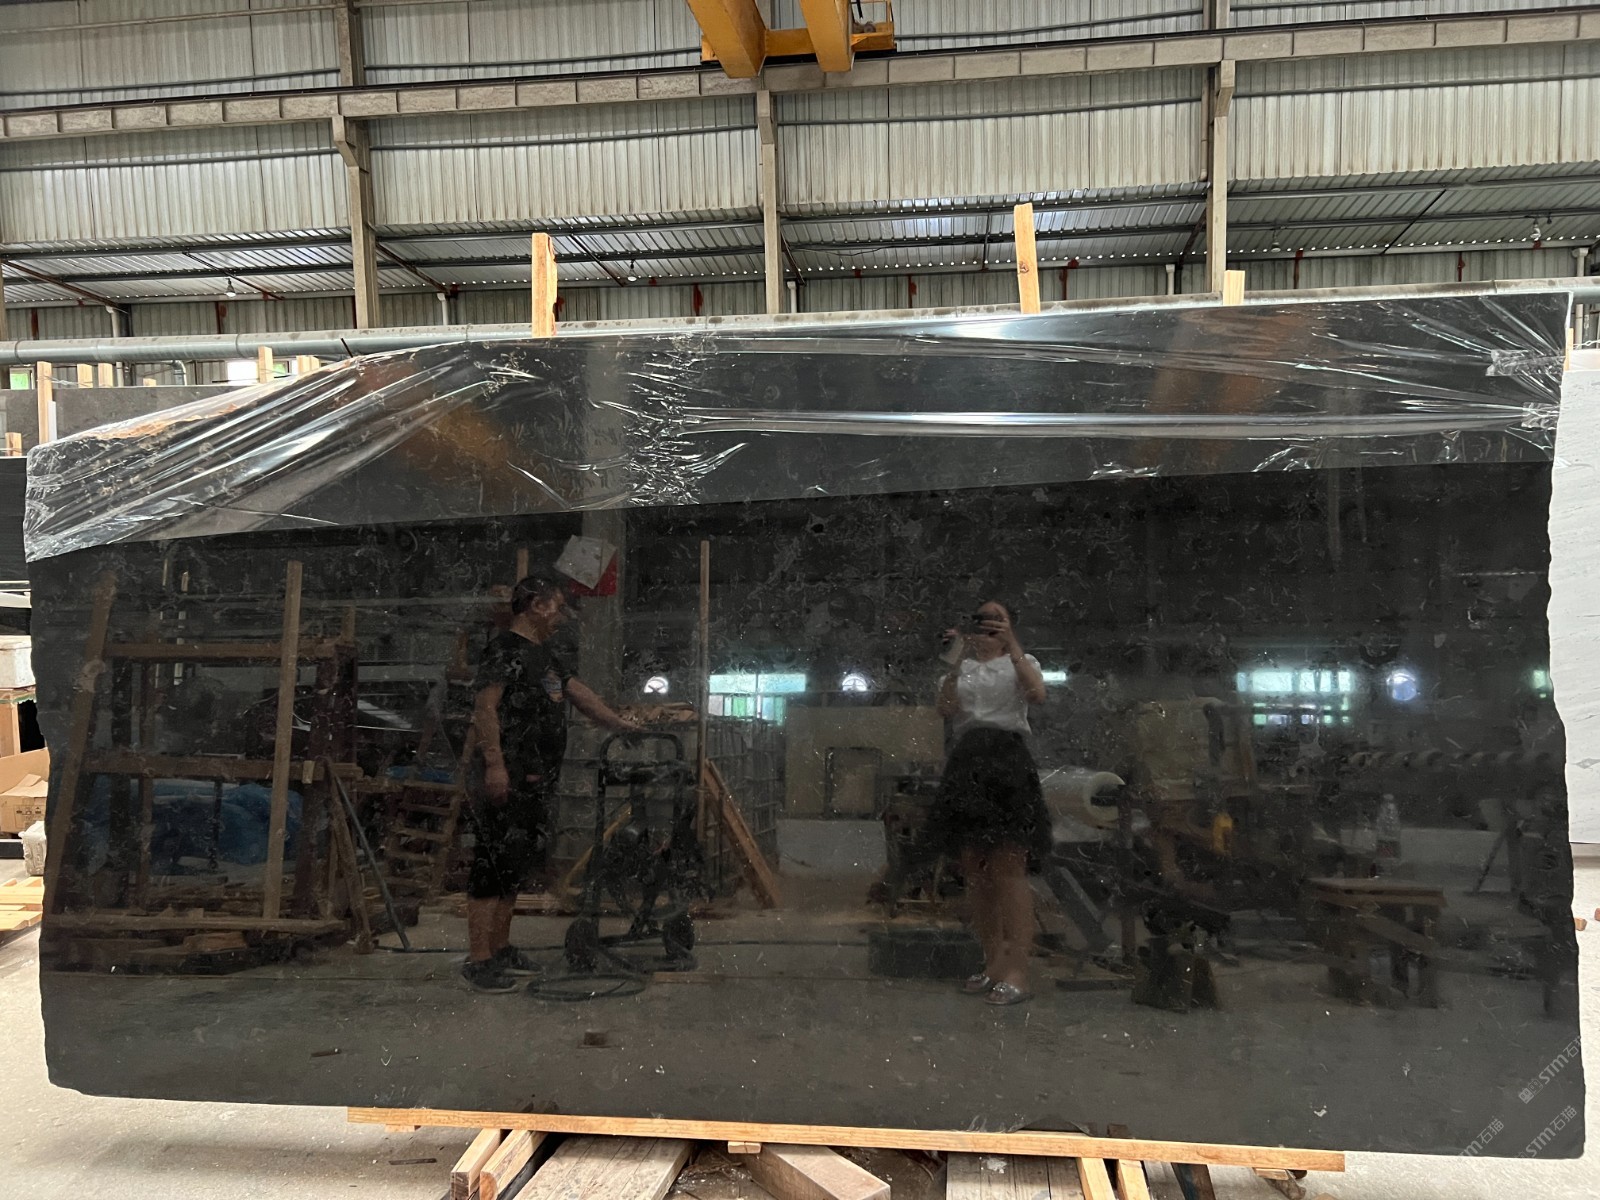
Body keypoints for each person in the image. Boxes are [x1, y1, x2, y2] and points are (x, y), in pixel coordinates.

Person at [461, 567, 640, 993]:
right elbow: (485, 709)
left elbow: (579, 694)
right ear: (536, 605)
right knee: (491, 864)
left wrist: (619, 724)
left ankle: (500, 948)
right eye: (557, 607)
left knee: (513, 864)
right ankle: (479, 958)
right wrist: (495, 765)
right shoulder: (502, 650)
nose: (560, 617)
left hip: (536, 778)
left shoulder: (546, 656)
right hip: (506, 775)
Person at [928, 599, 1050, 1006]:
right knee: (975, 868)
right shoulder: (959, 668)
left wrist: (1012, 644)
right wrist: (955, 660)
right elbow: (945, 709)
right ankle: (993, 961)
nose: (989, 627)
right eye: (982, 621)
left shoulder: (1022, 662)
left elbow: (1037, 694)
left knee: (1009, 866)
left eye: (998, 620)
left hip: (1007, 759)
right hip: (968, 761)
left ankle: (1019, 970)